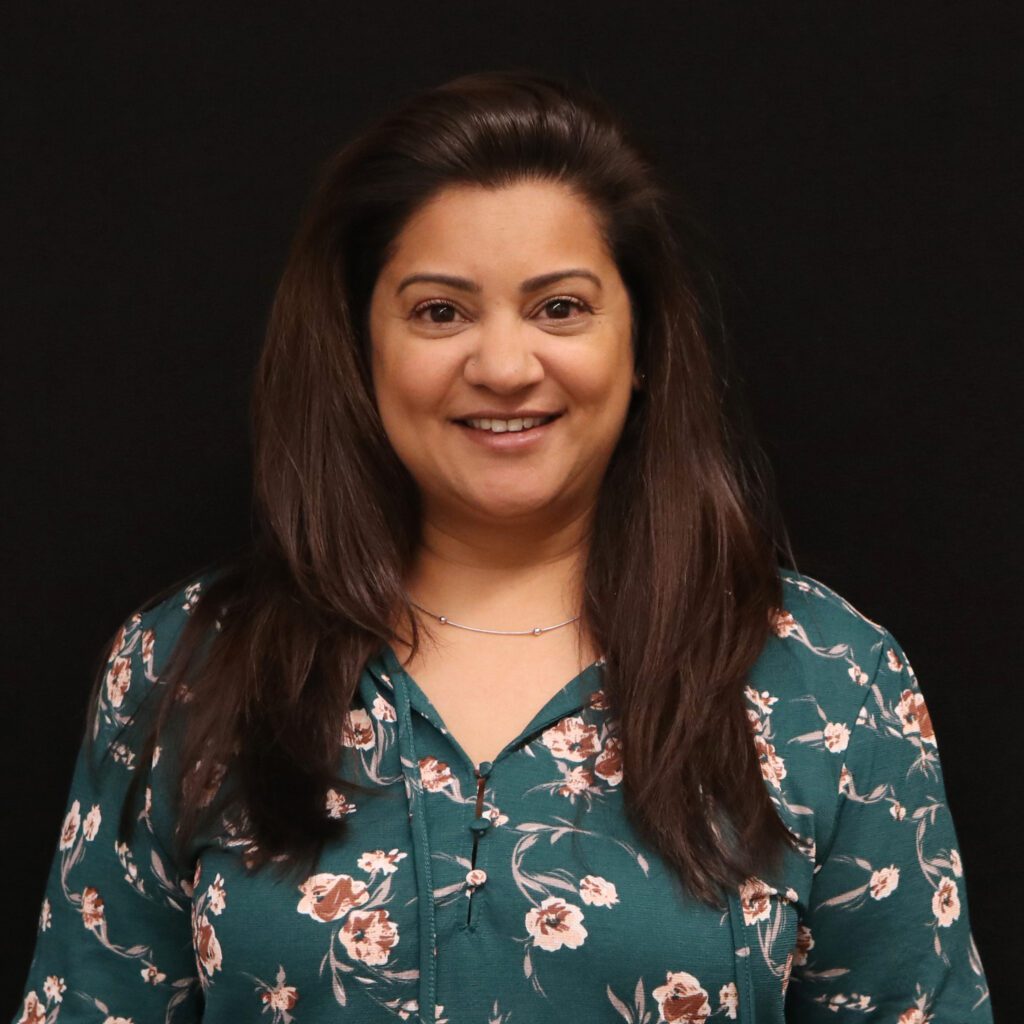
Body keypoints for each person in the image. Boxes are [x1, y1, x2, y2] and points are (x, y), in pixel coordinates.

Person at [13, 69, 993, 1024]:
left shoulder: (827, 683)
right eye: (439, 312)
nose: (505, 366)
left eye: (559, 307)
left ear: (642, 342)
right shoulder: (186, 670)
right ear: (360, 346)